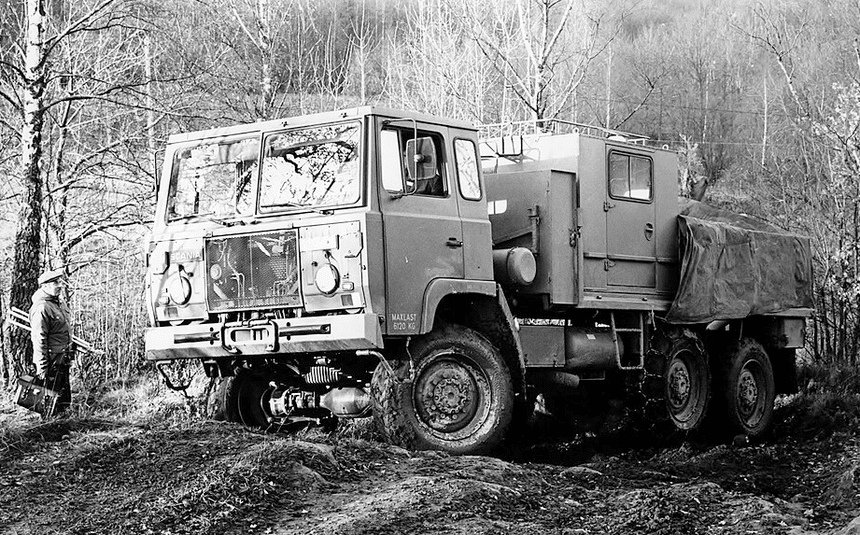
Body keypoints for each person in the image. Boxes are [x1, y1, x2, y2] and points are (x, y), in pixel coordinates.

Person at [29, 268, 74, 417]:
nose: (60, 285)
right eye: (56, 282)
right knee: (51, 401)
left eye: (59, 281)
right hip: (51, 361)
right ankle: (50, 429)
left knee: (64, 399)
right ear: (45, 286)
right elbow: (38, 339)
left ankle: (64, 428)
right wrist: (42, 367)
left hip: (63, 358)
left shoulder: (58, 303)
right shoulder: (42, 308)